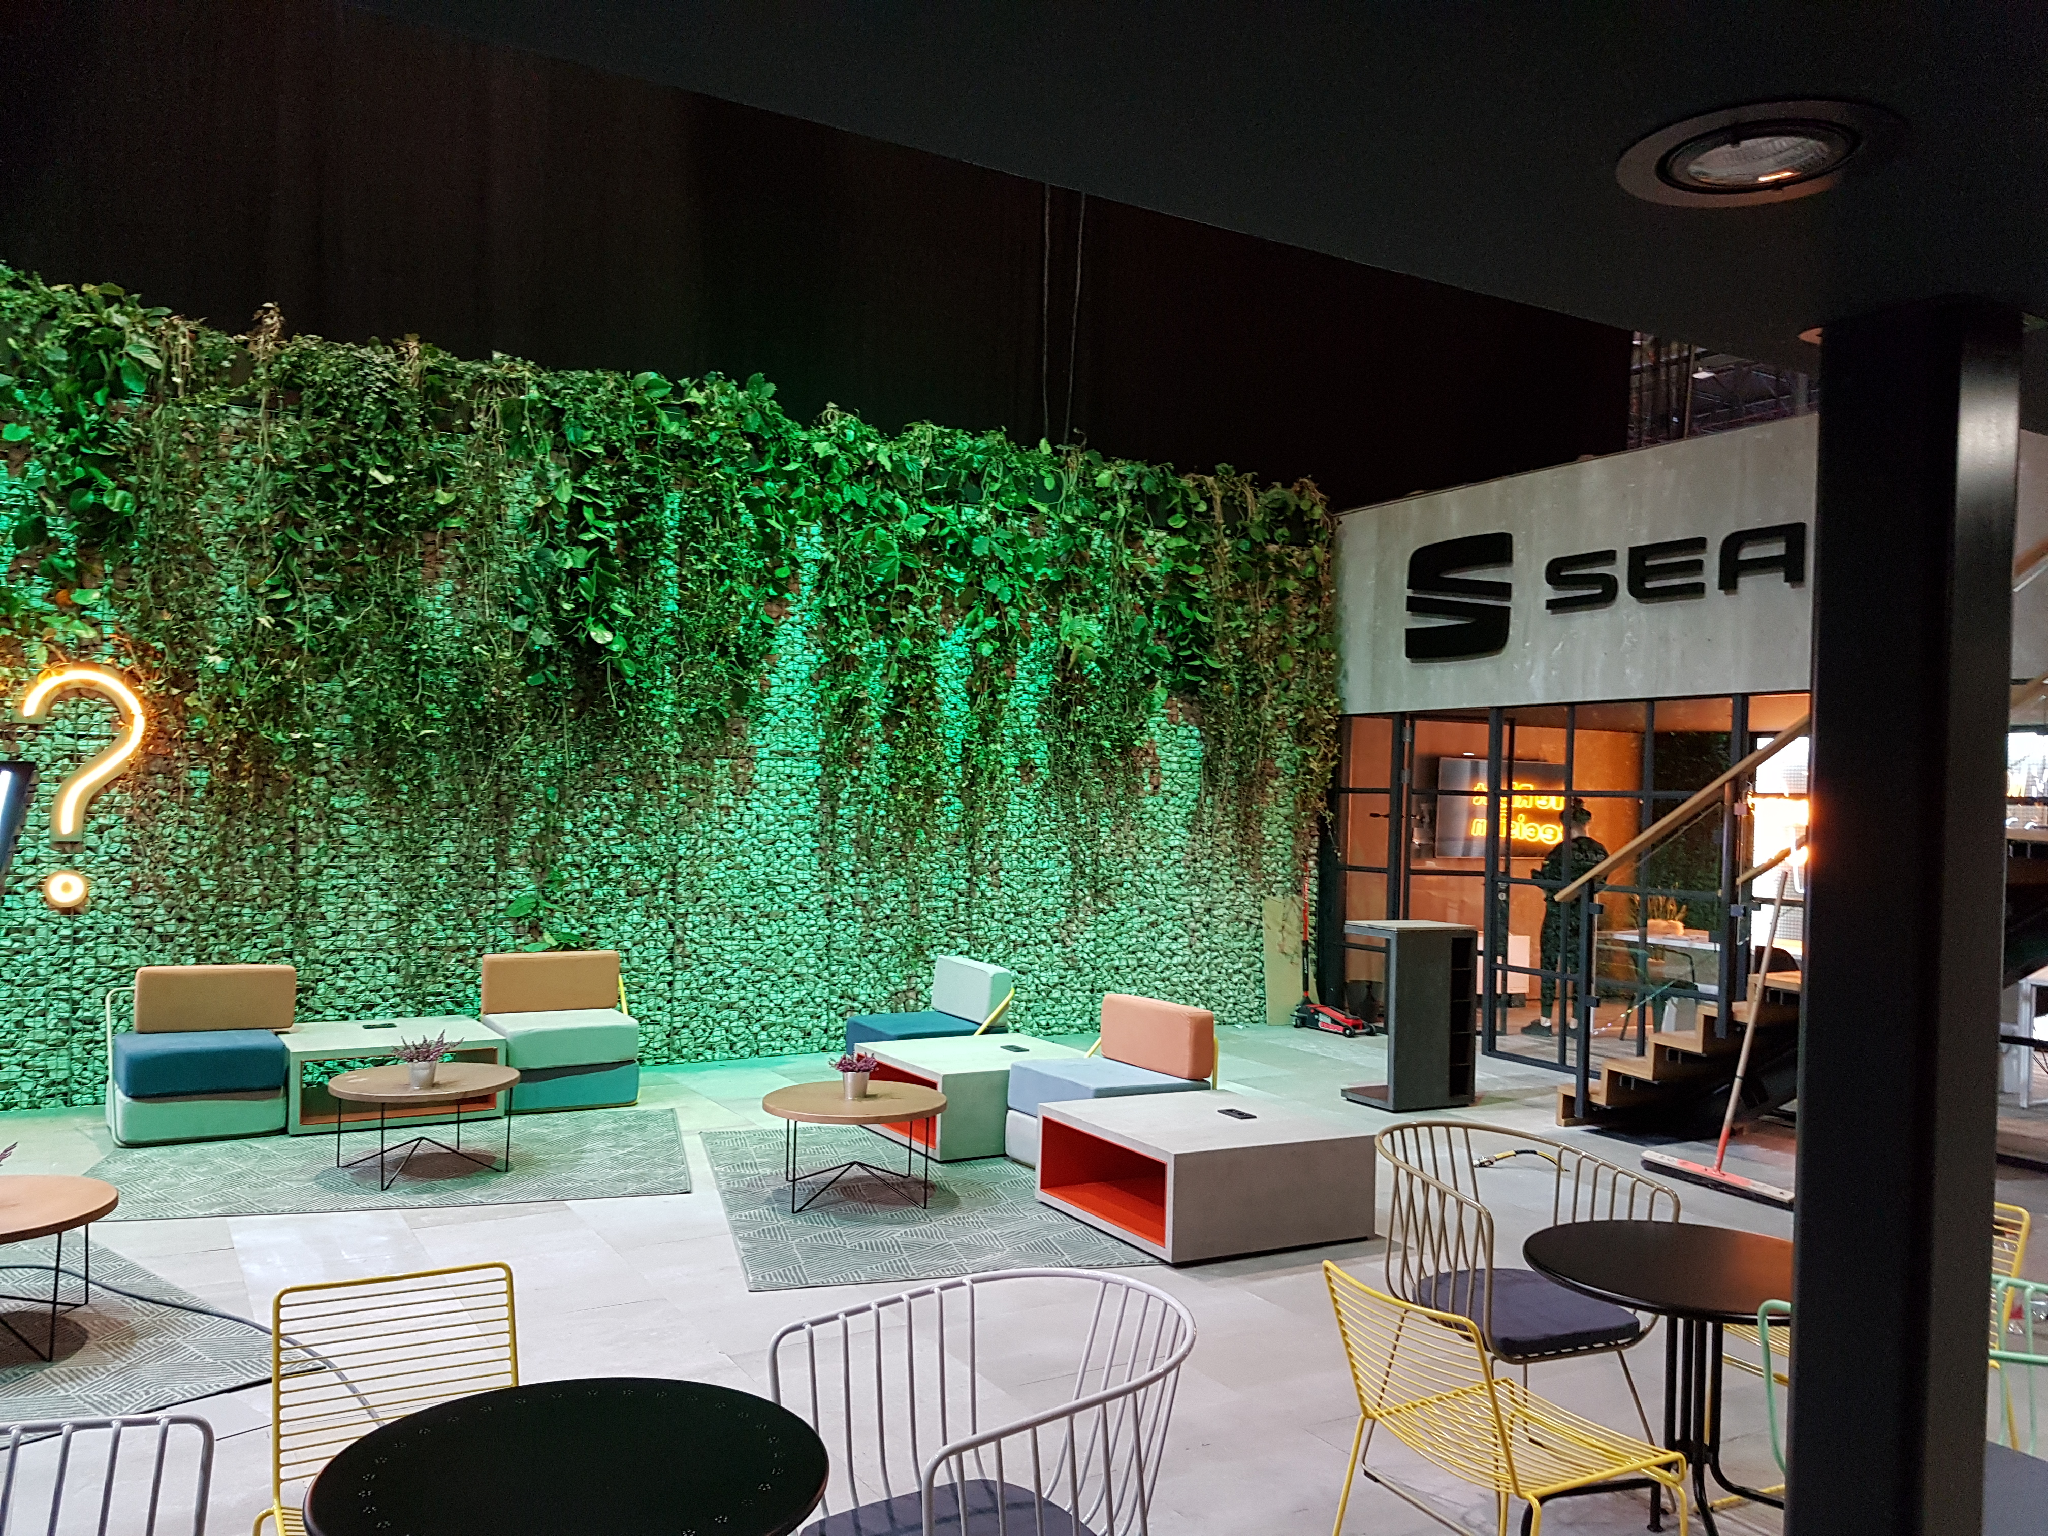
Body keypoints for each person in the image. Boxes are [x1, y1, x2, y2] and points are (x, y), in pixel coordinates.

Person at [1529, 800, 1608, 1035]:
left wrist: (1538, 879)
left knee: (1549, 966)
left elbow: (1549, 883)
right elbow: (1601, 882)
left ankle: (1545, 1020)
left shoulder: (1560, 852)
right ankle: (1575, 1022)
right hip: (1584, 916)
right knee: (1579, 968)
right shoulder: (1600, 852)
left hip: (1558, 915)